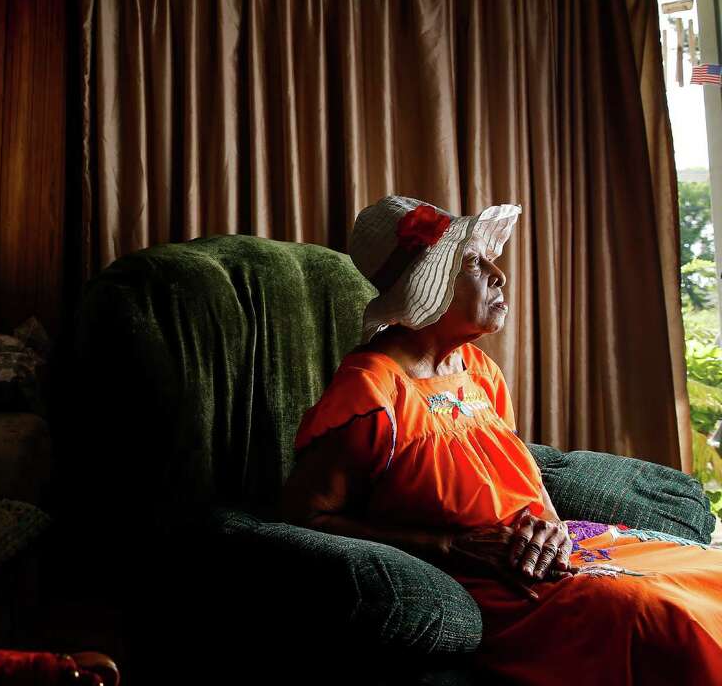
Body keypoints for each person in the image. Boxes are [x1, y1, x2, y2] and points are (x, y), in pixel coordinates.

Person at [281, 195, 722, 684]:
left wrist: (551, 525)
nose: (499, 274)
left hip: (564, 550)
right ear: (427, 290)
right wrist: (451, 544)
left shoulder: (479, 371)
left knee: (712, 575)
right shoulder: (371, 390)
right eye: (473, 262)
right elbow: (303, 515)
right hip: (498, 585)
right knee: (665, 618)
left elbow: (524, 481)